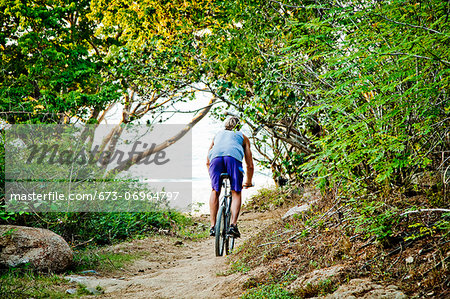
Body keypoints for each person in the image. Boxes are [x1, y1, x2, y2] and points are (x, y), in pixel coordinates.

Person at [206, 116, 254, 238]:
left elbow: (207, 161)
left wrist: (212, 177)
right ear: (239, 127)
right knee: (236, 192)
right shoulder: (243, 137)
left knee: (215, 191)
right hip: (232, 159)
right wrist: (248, 181)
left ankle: (213, 226)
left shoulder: (217, 135)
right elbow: (249, 165)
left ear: (225, 125)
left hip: (215, 160)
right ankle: (233, 225)